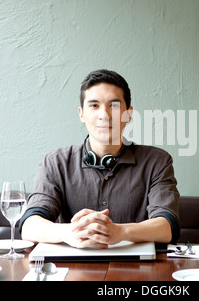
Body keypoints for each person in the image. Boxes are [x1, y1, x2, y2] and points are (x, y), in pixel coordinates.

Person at [20, 69, 180, 249]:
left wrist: (120, 232)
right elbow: (29, 225)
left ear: (128, 114)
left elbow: (167, 227)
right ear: (81, 114)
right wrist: (70, 232)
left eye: (114, 105)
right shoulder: (55, 162)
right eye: (94, 105)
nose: (104, 114)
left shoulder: (157, 161)